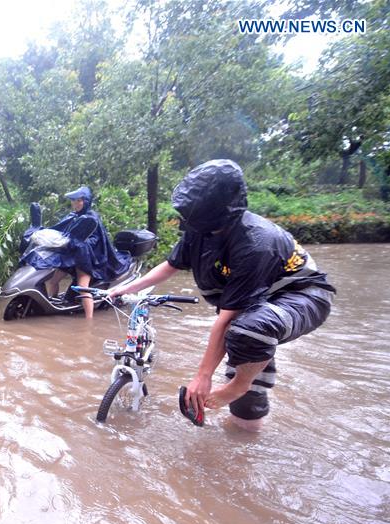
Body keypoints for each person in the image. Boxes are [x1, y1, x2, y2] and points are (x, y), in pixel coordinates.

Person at [108, 160, 335, 431]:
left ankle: (237, 387)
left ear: (217, 211)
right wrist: (125, 288)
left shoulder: (255, 243)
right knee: (244, 354)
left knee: (245, 333)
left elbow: (228, 320)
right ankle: (244, 431)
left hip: (302, 297)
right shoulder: (200, 231)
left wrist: (203, 376)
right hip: (257, 306)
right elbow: (171, 265)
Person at [20, 186, 132, 318]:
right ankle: (53, 307)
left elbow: (96, 242)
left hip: (86, 258)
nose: (75, 204)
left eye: (78, 200)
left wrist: (77, 244)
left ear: (85, 201)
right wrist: (40, 232)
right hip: (70, 254)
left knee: (83, 288)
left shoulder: (91, 218)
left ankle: (88, 322)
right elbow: (59, 231)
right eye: (73, 201)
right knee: (53, 281)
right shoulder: (73, 216)